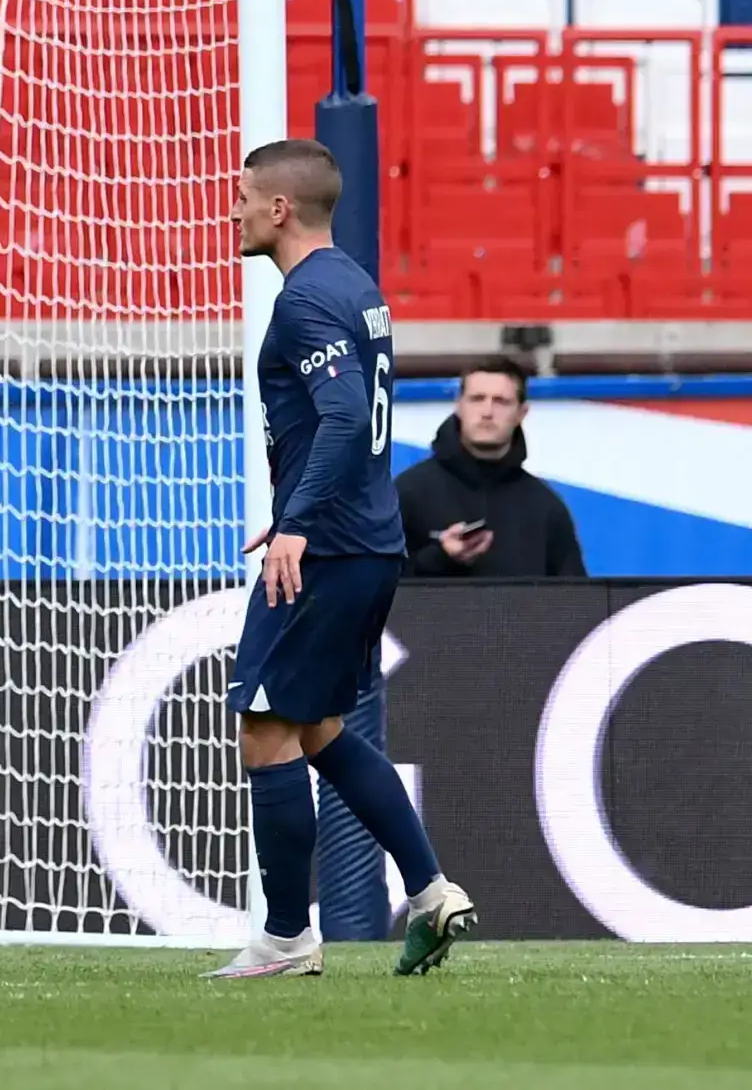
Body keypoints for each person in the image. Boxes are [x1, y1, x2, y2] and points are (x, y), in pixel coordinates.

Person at [215, 138, 475, 979]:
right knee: (319, 727)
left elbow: (340, 416)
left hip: (324, 547)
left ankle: (287, 936)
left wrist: (294, 520)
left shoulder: (304, 301)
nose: (234, 210)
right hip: (368, 540)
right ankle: (430, 891)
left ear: (279, 208)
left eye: (244, 196)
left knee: (265, 725)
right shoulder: (357, 287)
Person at [396, 357, 585, 578]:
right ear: (459, 405)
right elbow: (376, 587)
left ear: (522, 412)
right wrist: (441, 558)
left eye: (501, 401)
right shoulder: (409, 492)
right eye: (477, 399)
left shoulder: (546, 507)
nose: (487, 411)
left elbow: (574, 595)